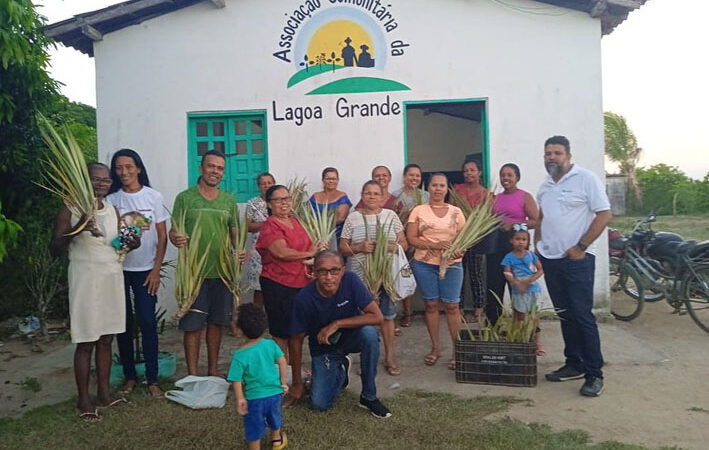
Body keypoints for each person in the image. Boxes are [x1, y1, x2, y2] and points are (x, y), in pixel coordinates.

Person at [50, 163, 133, 422]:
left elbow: (118, 243)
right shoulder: (71, 207)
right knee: (86, 340)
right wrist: (79, 227)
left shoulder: (112, 209)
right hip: (85, 279)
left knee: (107, 339)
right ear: (83, 180)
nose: (102, 184)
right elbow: (55, 247)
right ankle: (83, 399)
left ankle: (104, 396)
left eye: (106, 180)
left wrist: (132, 239)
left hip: (111, 276)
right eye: (96, 179)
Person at [536, 135, 612, 397]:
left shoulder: (586, 179)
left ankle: (594, 374)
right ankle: (573, 363)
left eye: (557, 153)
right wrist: (538, 247)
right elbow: (542, 217)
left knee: (582, 316)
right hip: (551, 259)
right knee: (565, 315)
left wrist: (581, 246)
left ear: (568, 155)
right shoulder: (545, 186)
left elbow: (604, 214)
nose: (551, 157)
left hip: (577, 260)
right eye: (548, 153)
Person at [289, 250, 392, 418]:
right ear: (314, 272)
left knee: (370, 334)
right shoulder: (304, 298)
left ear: (343, 271)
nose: (329, 277)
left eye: (334, 271)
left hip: (352, 338)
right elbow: (296, 340)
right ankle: (341, 370)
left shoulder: (350, 281)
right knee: (319, 404)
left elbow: (377, 317)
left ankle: (368, 397)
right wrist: (297, 383)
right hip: (324, 348)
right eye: (322, 271)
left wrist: (337, 324)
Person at [107, 149, 168, 398]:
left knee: (147, 322)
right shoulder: (112, 199)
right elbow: (111, 237)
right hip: (118, 271)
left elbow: (162, 237)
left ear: (139, 168)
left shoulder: (153, 196)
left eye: (129, 167)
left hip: (145, 272)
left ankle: (152, 379)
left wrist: (155, 270)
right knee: (123, 324)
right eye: (119, 168)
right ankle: (130, 376)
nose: (124, 172)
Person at [169, 150, 237, 376]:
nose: (215, 171)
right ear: (201, 168)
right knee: (193, 324)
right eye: (211, 166)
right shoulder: (185, 198)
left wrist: (237, 254)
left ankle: (212, 371)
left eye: (219, 168)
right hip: (193, 273)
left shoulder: (228, 200)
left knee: (216, 323)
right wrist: (175, 238)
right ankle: (192, 374)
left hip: (222, 271)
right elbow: (174, 231)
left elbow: (234, 233)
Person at [255, 184, 317, 405]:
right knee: (282, 335)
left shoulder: (296, 222)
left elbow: (309, 247)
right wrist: (310, 253)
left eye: (287, 199)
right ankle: (286, 383)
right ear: (269, 204)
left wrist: (313, 258)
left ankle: (297, 382)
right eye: (279, 200)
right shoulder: (270, 226)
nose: (284, 203)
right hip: (278, 285)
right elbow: (281, 252)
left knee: (298, 335)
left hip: (300, 284)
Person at [340, 180, 408, 376]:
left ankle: (389, 357)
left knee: (387, 316)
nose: (371, 197)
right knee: (364, 319)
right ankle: (366, 359)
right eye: (368, 193)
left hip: (385, 277)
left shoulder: (391, 216)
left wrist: (385, 247)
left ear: (382, 197)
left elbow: (404, 243)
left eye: (376, 193)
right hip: (360, 278)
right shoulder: (353, 218)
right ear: (362, 195)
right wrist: (360, 247)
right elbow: (343, 247)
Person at [406, 173, 465, 370]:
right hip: (424, 264)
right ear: (428, 187)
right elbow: (411, 238)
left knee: (452, 306)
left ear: (447, 188)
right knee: (431, 305)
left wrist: (459, 249)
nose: (438, 189)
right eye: (434, 185)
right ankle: (435, 348)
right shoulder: (418, 210)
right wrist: (436, 245)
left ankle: (458, 351)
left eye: (442, 185)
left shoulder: (456, 212)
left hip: (452, 264)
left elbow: (465, 240)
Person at [228, 304, 289, 450]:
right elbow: (282, 361)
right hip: (275, 394)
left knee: (254, 425)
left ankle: (255, 447)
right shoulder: (270, 345)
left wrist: (240, 399)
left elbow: (236, 380)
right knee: (274, 416)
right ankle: (276, 440)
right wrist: (283, 382)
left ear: (239, 330)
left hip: (254, 398)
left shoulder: (240, 356)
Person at [486, 163, 539, 325]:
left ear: (517, 177)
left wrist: (513, 223)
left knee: (517, 286)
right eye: (503, 175)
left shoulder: (525, 196)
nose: (505, 178)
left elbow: (536, 221)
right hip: (497, 245)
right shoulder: (495, 198)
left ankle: (521, 325)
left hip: (517, 247)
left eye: (510, 175)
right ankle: (493, 324)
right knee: (494, 284)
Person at [453, 159, 490, 323]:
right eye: (466, 170)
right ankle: (458, 309)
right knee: (457, 274)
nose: (469, 173)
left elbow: (486, 217)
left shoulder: (485, 194)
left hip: (476, 240)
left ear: (479, 173)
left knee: (476, 276)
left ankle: (478, 310)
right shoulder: (457, 190)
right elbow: (452, 211)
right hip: (459, 239)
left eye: (472, 170)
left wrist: (476, 232)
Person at [392, 163, 429, 328]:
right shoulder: (395, 196)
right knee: (405, 276)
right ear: (404, 177)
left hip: (423, 243)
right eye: (411, 175)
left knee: (425, 278)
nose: (414, 178)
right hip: (402, 244)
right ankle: (408, 314)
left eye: (417, 176)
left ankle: (430, 311)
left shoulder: (426, 196)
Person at [501, 224, 545, 355]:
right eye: (517, 239)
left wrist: (528, 281)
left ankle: (537, 344)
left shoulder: (531, 256)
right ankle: (516, 341)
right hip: (518, 291)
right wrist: (516, 283)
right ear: (511, 241)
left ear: (527, 241)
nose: (520, 242)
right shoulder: (508, 257)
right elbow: (507, 273)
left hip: (533, 290)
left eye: (524, 239)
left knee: (535, 317)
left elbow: (540, 270)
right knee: (518, 316)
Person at [245, 173, 276, 308]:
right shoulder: (252, 203)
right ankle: (256, 322)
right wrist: (268, 223)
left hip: (278, 249)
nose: (266, 185)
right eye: (263, 183)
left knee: (277, 285)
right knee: (259, 288)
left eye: (269, 182)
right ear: (259, 186)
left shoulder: (281, 202)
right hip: (258, 251)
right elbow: (247, 226)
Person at [309, 167, 352, 244]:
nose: (331, 181)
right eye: (328, 178)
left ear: (338, 180)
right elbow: (308, 215)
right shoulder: (315, 196)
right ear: (323, 180)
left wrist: (322, 226)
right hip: (315, 236)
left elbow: (341, 218)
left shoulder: (342, 196)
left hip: (336, 235)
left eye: (334, 178)